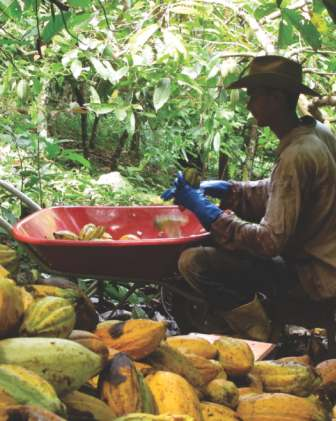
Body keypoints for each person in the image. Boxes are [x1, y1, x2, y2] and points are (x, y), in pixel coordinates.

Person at [161, 55, 336, 341]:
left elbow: (269, 241)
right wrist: (230, 190)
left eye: (253, 96)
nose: (248, 104)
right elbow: (283, 192)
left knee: (193, 262)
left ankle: (262, 334)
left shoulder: (297, 154)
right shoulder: (317, 133)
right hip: (325, 263)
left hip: (315, 277)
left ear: (276, 98)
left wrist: (210, 214)